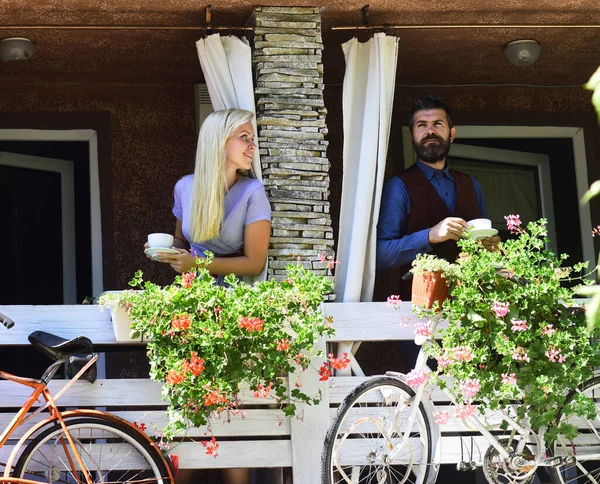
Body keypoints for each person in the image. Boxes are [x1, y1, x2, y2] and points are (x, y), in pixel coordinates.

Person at [148, 108, 271, 484]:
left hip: (236, 309)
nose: (252, 145)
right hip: (191, 307)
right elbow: (182, 244)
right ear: (220, 143)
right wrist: (169, 255)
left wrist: (196, 266)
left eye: (252, 137)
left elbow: (253, 262)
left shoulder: (253, 192)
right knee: (186, 407)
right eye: (244, 137)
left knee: (233, 410)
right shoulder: (186, 188)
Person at [376, 95, 500, 301]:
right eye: (421, 125)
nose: (429, 131)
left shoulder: (472, 184)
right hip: (422, 307)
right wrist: (429, 236)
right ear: (411, 136)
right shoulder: (399, 186)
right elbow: (380, 255)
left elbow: (487, 245)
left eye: (437, 124)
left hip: (474, 306)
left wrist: (491, 245)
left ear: (451, 134)